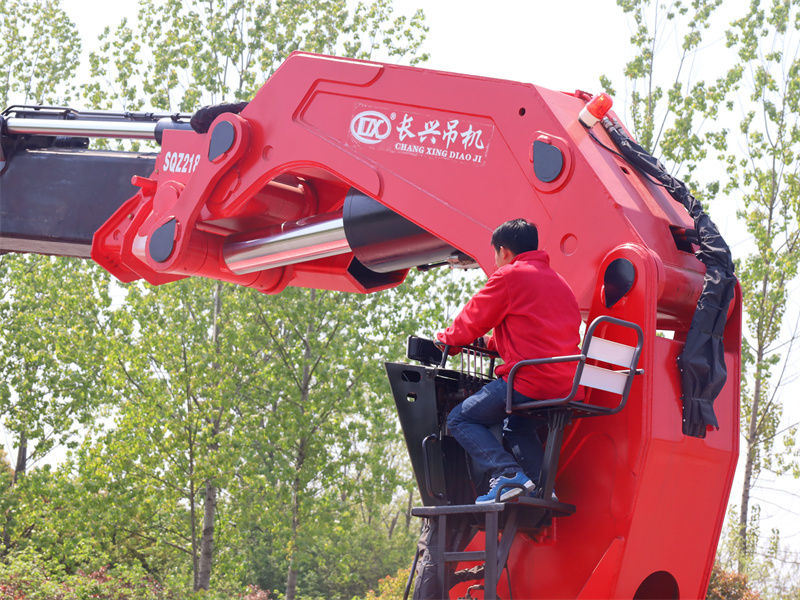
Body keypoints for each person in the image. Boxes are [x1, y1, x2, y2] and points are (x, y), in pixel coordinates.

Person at [436, 218, 581, 503]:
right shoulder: (560, 283)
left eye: (495, 254)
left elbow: (471, 319)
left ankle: (508, 474)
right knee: (517, 426)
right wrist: (491, 343)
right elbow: (539, 333)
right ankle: (543, 489)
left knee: (460, 419)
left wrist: (447, 341)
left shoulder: (509, 276)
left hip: (531, 380)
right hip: (568, 382)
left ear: (503, 251)